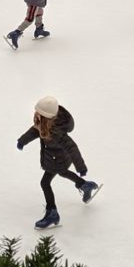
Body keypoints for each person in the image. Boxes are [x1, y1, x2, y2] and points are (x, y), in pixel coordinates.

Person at [17, 95, 100, 230]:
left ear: (45, 116)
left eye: (38, 112)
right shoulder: (42, 123)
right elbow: (34, 131)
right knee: (63, 173)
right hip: (54, 158)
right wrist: (22, 140)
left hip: (57, 159)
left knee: (45, 183)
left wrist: (81, 166)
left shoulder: (57, 132)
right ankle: (85, 185)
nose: (35, 113)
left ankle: (52, 213)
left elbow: (72, 147)